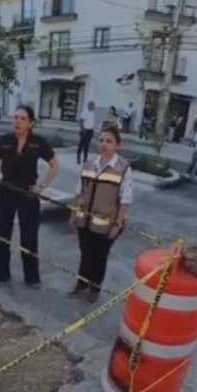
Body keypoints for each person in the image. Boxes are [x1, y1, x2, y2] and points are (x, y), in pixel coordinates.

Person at [0, 105, 61, 288]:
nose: (17, 121)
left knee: (29, 237)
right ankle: (1, 275)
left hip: (28, 194)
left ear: (31, 123)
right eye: (15, 117)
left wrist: (41, 187)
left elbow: (55, 165)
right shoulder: (4, 140)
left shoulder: (38, 142)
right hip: (6, 192)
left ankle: (32, 278)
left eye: (22, 118)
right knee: (2, 235)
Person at [69, 127, 133, 303]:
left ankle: (95, 288)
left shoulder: (123, 168)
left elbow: (125, 199)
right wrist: (74, 213)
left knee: (99, 256)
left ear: (117, 146)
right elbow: (80, 191)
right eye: (102, 140)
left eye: (109, 141)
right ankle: (82, 283)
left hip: (107, 224)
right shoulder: (89, 164)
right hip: (85, 221)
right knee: (85, 253)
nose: (104, 144)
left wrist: (118, 224)